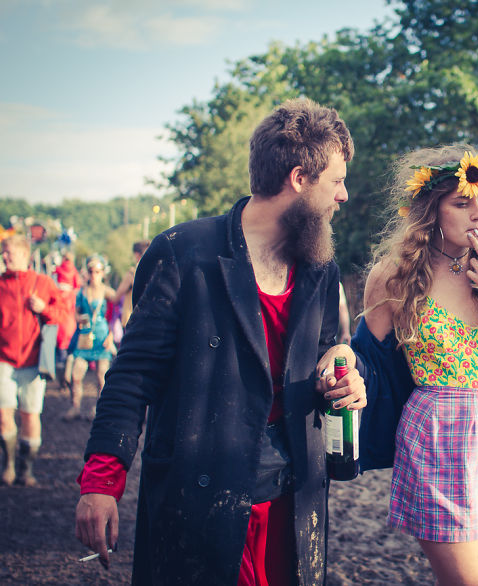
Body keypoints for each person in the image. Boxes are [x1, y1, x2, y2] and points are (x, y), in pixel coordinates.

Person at [74, 97, 366, 585]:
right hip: (198, 497)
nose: (344, 196)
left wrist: (341, 369)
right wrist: (101, 483)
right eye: (336, 181)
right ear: (298, 178)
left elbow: (317, 356)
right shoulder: (183, 253)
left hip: (291, 501)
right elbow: (131, 376)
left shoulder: (319, 265)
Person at [352, 145, 478, 585]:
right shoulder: (395, 275)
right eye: (461, 203)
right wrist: (342, 365)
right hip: (435, 439)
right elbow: (367, 363)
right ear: (431, 211)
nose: (477, 214)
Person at [0, 234, 67, 486]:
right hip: (3, 360)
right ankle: (7, 465)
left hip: (33, 360)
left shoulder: (43, 283)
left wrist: (43, 309)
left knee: (30, 415)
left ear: (25, 256)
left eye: (10, 253)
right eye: (4, 253)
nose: (5, 257)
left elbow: (62, 316)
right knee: (4, 415)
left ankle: (26, 469)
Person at [63, 255, 118, 421]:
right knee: (76, 374)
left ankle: (99, 409)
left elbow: (116, 312)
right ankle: (75, 407)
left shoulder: (107, 291)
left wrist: (111, 335)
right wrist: (78, 318)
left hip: (102, 337)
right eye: (91, 271)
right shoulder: (82, 291)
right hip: (85, 336)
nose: (94, 274)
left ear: (103, 273)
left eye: (97, 271)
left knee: (102, 376)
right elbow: (76, 310)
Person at [113, 240, 150, 330]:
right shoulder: (154, 273)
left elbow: (116, 298)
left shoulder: (132, 274)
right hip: (147, 320)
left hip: (131, 320)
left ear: (136, 255)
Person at [53, 250, 81, 365]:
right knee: (69, 323)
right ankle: (68, 350)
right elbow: (77, 285)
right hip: (70, 299)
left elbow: (53, 279)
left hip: (59, 297)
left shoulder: (59, 268)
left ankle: (60, 352)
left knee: (59, 323)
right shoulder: (74, 270)